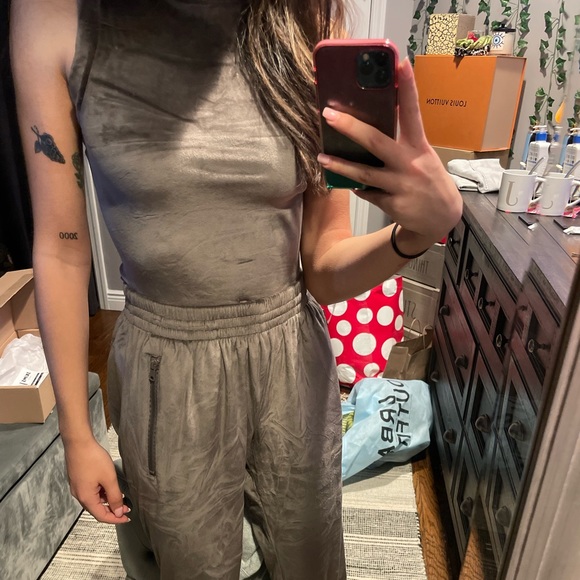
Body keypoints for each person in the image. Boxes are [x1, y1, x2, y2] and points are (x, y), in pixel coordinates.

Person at [9, 0, 462, 578]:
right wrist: (77, 434)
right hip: (166, 370)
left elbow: (324, 266)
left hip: (291, 360)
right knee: (189, 563)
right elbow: (62, 249)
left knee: (309, 559)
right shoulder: (54, 14)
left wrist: (414, 235)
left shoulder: (308, 16)